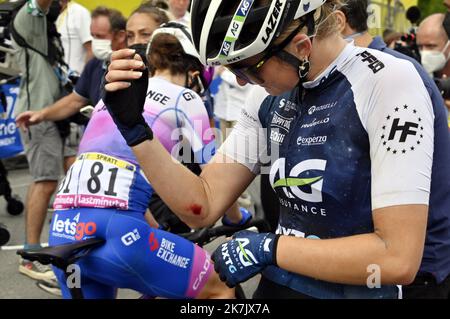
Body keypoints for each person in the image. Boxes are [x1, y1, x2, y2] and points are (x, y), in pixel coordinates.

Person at [103, 0, 446, 299]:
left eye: (246, 66)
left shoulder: (389, 81)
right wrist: (136, 132)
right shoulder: (267, 97)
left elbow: (396, 258)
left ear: (300, 46)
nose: (239, 80)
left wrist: (271, 248)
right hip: (284, 284)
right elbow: (202, 204)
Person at [46, 22, 235, 299]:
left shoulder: (111, 98)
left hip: (63, 231)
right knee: (218, 287)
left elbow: (117, 179)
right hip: (119, 234)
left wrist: (156, 229)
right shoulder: (187, 98)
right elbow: (214, 183)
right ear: (194, 73)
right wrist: (237, 218)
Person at [341, 0, 450, 299]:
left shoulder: (393, 76)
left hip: (417, 271)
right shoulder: (346, 79)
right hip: (368, 263)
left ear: (337, 21)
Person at [12, 0, 70, 281]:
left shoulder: (47, 33)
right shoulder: (29, 18)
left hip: (57, 112)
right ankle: (30, 256)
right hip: (36, 115)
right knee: (44, 181)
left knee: (73, 171)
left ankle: (73, 248)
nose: (63, 3)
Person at [16, 7, 127, 132]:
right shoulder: (95, 65)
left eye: (100, 36)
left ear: (120, 36)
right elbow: (75, 101)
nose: (95, 42)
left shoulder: (134, 66)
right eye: (92, 36)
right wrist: (41, 115)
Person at [56, 0, 93, 75]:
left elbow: (91, 49)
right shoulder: (51, 13)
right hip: (58, 79)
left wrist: (84, 79)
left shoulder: (80, 12)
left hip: (75, 80)